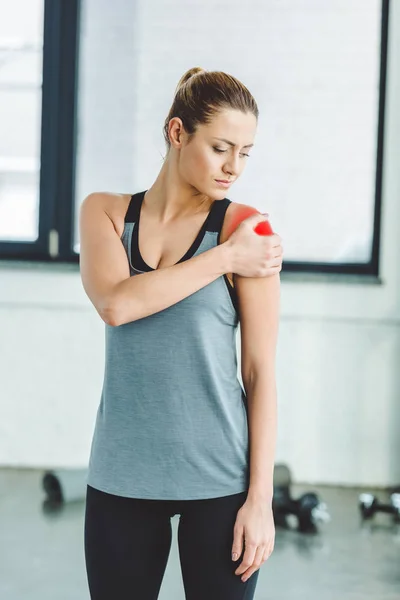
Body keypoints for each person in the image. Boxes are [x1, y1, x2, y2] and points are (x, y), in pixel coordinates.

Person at [79, 67, 282, 600]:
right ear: (177, 132)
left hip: (220, 482)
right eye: (221, 147)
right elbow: (117, 304)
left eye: (246, 152)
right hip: (121, 476)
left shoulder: (247, 228)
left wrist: (260, 500)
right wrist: (224, 258)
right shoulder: (104, 212)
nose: (234, 167)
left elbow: (259, 373)